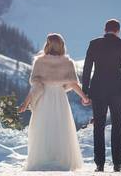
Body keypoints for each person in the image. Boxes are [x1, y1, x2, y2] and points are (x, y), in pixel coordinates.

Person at [19, 33, 90, 171]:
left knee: (42, 128)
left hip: (44, 99)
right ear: (62, 46)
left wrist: (26, 103)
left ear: (47, 45)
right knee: (61, 128)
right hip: (60, 98)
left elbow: (36, 86)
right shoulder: (68, 63)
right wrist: (84, 97)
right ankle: (61, 159)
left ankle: (41, 160)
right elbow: (73, 84)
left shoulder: (39, 62)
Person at [82, 19, 121, 172]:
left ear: (105, 30)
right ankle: (117, 163)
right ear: (118, 30)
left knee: (99, 126)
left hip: (97, 89)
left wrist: (85, 90)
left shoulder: (94, 43)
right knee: (117, 125)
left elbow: (87, 68)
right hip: (117, 89)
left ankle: (100, 164)